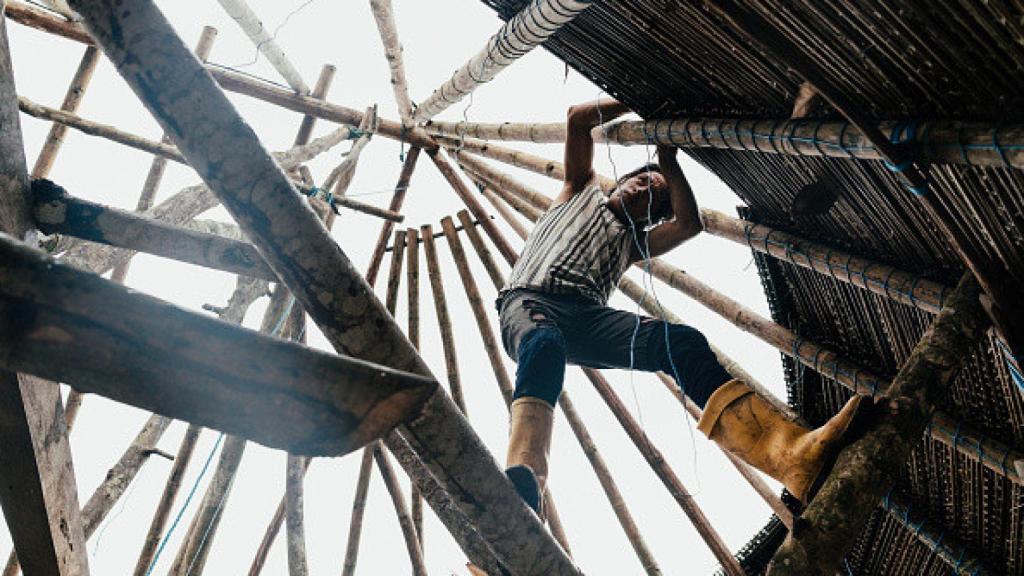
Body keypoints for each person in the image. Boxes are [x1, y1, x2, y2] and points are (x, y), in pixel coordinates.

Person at [495, 98, 867, 515]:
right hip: (529, 301)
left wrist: (668, 163)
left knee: (681, 342)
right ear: (620, 180)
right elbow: (577, 118)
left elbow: (689, 224)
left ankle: (791, 456)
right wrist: (636, 101)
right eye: (642, 179)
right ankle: (525, 481)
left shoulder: (634, 243)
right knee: (544, 345)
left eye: (655, 193)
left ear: (652, 217)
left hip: (587, 320)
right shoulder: (578, 190)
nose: (644, 188)